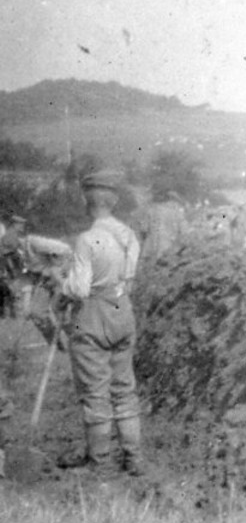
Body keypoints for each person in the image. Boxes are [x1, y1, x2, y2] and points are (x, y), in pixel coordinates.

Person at [57, 168, 144, 475]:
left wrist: (62, 284)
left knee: (95, 393)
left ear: (86, 200)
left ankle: (101, 464)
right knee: (124, 389)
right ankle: (134, 459)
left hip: (93, 316)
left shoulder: (86, 239)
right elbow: (130, 279)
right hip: (123, 311)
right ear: (114, 201)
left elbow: (80, 288)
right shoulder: (128, 236)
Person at [135, 187, 188, 262]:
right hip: (172, 249)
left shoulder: (151, 210)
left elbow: (144, 229)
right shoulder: (177, 210)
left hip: (153, 249)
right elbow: (184, 231)